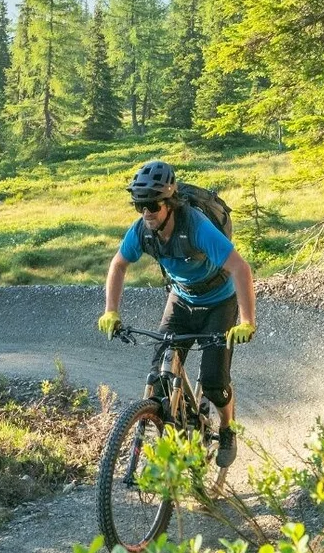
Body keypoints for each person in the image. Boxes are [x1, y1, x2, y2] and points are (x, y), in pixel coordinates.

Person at [98, 160, 258, 466]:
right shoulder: (142, 232)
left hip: (219, 301)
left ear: (169, 203)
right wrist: (111, 311)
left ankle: (226, 430)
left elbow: (240, 268)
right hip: (181, 299)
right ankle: (181, 425)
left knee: (214, 382)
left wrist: (248, 321)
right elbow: (118, 265)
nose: (146, 213)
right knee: (160, 378)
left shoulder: (196, 227)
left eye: (152, 205)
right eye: (139, 205)